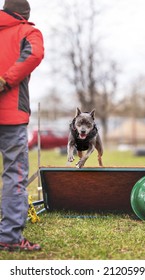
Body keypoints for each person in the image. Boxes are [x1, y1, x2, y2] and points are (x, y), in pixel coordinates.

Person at [0, 0, 44, 251]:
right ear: (25, 14)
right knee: (14, 176)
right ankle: (9, 237)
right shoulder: (28, 31)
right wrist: (6, 80)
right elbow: (35, 54)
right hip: (11, 116)